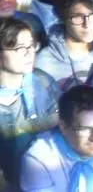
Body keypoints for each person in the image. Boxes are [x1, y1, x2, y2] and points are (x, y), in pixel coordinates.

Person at [0, 16, 60, 179]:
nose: (29, 53)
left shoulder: (44, 82)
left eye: (32, 45)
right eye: (20, 48)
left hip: (47, 177)